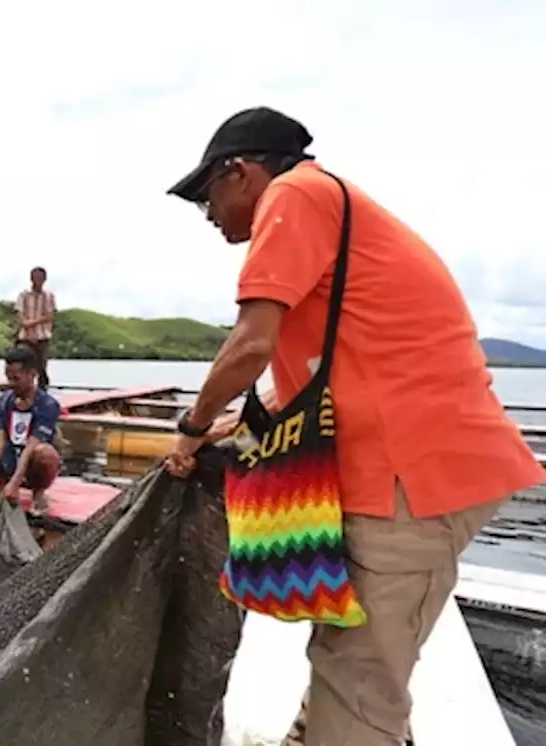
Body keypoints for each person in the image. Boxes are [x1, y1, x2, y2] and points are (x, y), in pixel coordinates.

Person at [162, 106, 545, 746]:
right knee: (350, 650)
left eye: (208, 195)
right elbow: (322, 358)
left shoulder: (294, 194)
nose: (208, 214)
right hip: (417, 466)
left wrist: (191, 426)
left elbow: (252, 343)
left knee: (362, 679)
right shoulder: (330, 207)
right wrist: (242, 418)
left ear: (242, 172)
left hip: (415, 476)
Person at [0, 345, 63, 516]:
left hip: (33, 461)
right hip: (10, 456)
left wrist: (16, 482)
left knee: (44, 453)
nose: (11, 384)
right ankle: (2, 482)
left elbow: (33, 444)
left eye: (16, 379)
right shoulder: (2, 401)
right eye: (8, 378)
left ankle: (38, 491)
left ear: (32, 374)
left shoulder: (48, 405)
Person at [14, 266, 55, 390]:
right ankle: (23, 393)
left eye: (41, 278)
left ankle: (42, 395)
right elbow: (21, 319)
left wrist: (30, 323)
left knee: (41, 368)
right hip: (25, 338)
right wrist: (39, 320)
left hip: (42, 337)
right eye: (36, 278)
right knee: (23, 367)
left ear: (45, 279)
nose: (38, 280)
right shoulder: (23, 295)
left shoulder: (49, 296)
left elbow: (50, 316)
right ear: (31, 278)